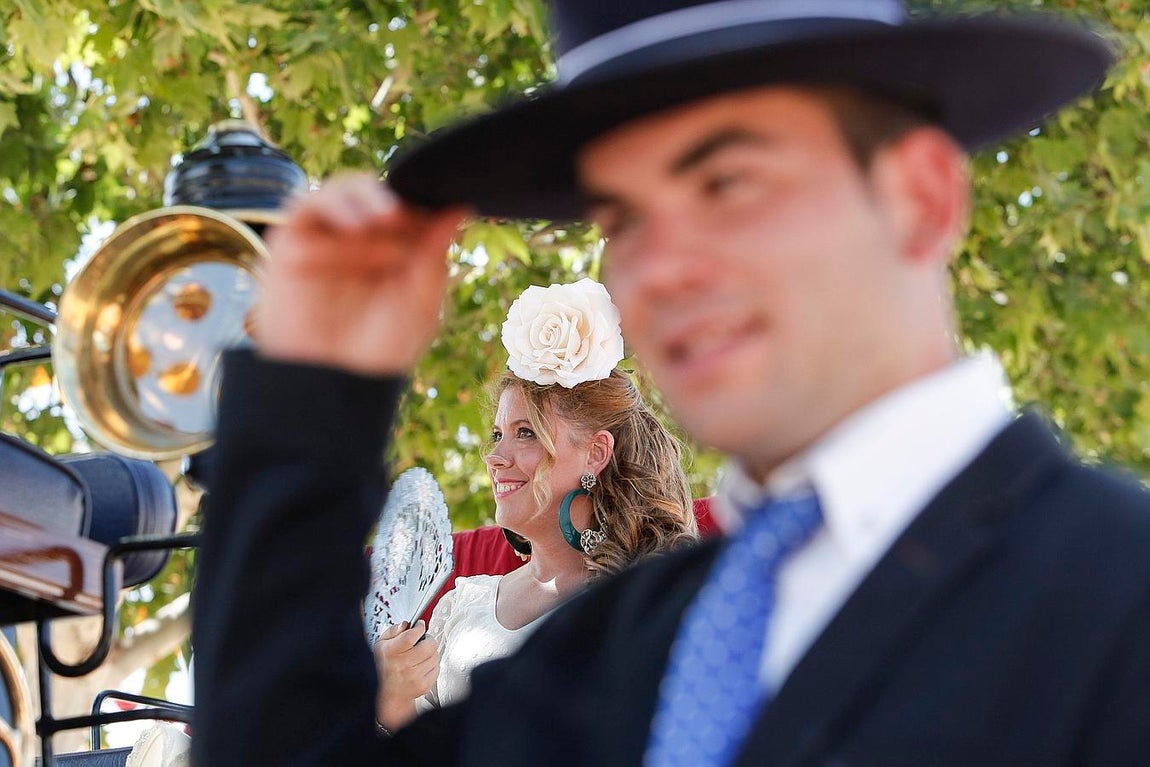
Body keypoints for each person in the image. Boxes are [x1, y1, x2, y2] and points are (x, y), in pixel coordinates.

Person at [192, 2, 1150, 765]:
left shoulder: (1117, 594)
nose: (658, 269)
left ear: (921, 196)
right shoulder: (637, 640)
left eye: (728, 183)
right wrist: (311, 394)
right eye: (624, 218)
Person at [373, 279, 697, 731]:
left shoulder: (650, 602)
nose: (496, 458)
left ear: (595, 453)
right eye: (497, 435)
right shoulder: (462, 605)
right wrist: (394, 696)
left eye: (526, 433)